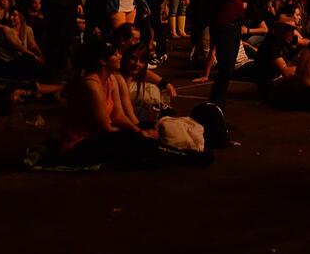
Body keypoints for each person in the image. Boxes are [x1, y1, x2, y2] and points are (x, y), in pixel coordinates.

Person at [57, 38, 209, 169]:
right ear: (102, 61)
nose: (120, 56)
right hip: (78, 145)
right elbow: (104, 127)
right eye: (115, 54)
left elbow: (118, 115)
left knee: (143, 131)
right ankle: (184, 157)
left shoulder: (111, 79)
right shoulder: (92, 85)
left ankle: (178, 154)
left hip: (99, 136)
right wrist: (138, 135)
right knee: (134, 141)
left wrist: (138, 129)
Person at [205, 0, 250, 112]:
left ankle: (217, 109)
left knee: (228, 69)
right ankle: (214, 109)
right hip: (224, 22)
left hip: (235, 19)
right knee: (225, 69)